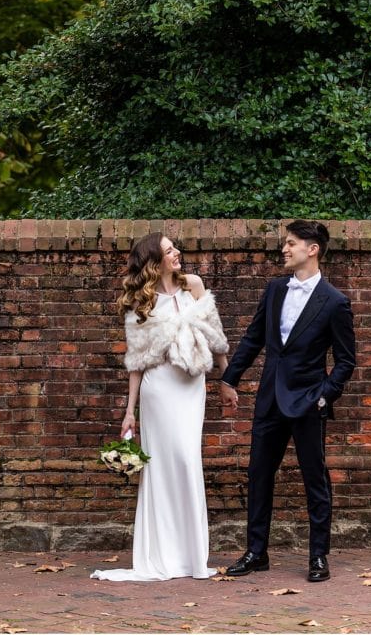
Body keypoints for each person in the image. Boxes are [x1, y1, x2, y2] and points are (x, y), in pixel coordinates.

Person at [220, 219, 356, 583]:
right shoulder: (275, 289)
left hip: (309, 402)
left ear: (312, 249)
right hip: (269, 399)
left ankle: (318, 556)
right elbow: (253, 338)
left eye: (291, 243)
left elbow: (346, 360)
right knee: (259, 475)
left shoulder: (335, 302)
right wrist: (230, 378)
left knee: (316, 480)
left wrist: (325, 396)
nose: (284, 249)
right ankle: (256, 552)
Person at [92, 233, 229, 582]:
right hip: (158, 389)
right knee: (165, 467)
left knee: (187, 461)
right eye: (169, 251)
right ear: (156, 260)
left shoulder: (194, 285)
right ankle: (164, 555)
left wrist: (227, 378)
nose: (178, 253)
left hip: (190, 387)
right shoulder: (142, 302)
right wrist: (129, 411)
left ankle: (193, 557)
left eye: (175, 248)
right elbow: (136, 361)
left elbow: (215, 334)